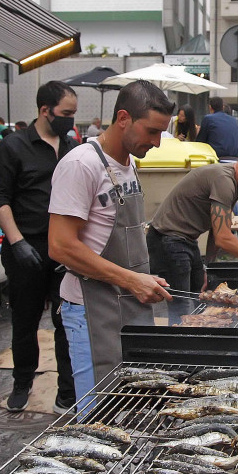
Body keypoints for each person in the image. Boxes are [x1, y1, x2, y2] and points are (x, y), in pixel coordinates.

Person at [48, 80, 175, 406]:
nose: (157, 143)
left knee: (131, 406)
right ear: (123, 118)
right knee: (99, 415)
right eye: (151, 132)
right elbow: (60, 247)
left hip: (130, 306)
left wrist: (142, 277)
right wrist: (132, 279)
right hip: (92, 311)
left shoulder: (128, 164)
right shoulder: (80, 165)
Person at [0, 81, 78, 414]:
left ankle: (67, 391)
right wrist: (18, 242)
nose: (71, 120)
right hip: (25, 247)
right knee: (24, 321)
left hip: (63, 249)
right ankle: (23, 381)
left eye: (74, 115)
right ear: (45, 110)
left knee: (66, 320)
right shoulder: (12, 147)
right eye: (66, 114)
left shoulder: (72, 147)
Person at [147, 147, 238, 323]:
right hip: (167, 239)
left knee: (198, 298)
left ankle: (195, 341)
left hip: (186, 239)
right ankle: (181, 344)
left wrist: (207, 268)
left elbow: (218, 231)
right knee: (182, 306)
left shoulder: (235, 184)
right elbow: (223, 238)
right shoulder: (224, 180)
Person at [195, 96, 238, 162]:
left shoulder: (208, 119)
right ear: (223, 107)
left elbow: (201, 142)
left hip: (218, 158)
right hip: (235, 159)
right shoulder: (234, 120)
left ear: (210, 107)